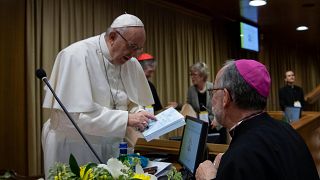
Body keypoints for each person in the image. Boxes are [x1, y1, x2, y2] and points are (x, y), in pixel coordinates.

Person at [41, 14, 156, 177]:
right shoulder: (76, 56)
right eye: (131, 46)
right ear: (112, 37)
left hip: (112, 146)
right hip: (75, 147)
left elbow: (133, 102)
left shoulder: (130, 62)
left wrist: (139, 112)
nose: (134, 54)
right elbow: (73, 117)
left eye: (138, 48)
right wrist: (127, 119)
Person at [195, 59, 319, 180]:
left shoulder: (239, 157)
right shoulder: (288, 130)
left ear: (226, 97)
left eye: (214, 92)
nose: (212, 99)